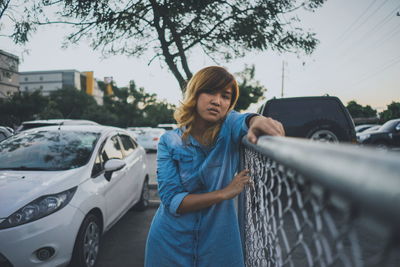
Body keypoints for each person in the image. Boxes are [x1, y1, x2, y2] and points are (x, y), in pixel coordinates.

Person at [145, 66, 284, 267]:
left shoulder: (229, 128)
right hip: (170, 243)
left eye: (225, 96)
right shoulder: (169, 140)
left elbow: (243, 120)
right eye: (210, 91)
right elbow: (172, 200)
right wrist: (225, 193)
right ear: (195, 93)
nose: (217, 101)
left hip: (218, 244)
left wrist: (257, 120)